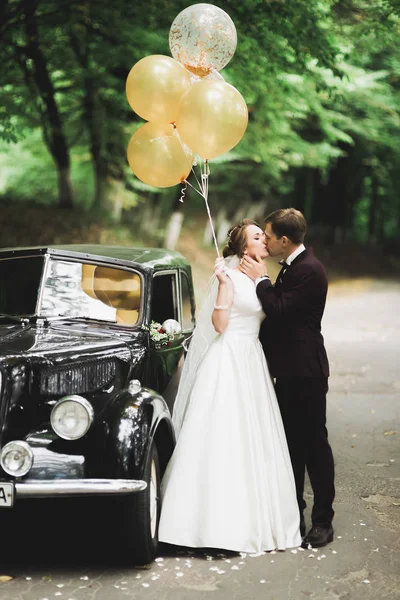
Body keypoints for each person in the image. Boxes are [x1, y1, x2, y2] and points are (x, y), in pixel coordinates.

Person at [158, 219, 302, 553]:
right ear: (243, 248)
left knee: (254, 439)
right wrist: (223, 284)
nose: (264, 240)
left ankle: (252, 520)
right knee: (221, 436)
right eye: (256, 237)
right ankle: (202, 528)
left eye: (263, 236)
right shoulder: (232, 277)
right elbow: (220, 325)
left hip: (252, 360)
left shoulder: (261, 277)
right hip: (228, 359)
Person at [239, 208, 335, 549]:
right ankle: (294, 514)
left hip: (307, 371)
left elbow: (279, 309)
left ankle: (323, 521)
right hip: (288, 371)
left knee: (314, 446)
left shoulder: (310, 270)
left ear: (283, 239)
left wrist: (262, 280)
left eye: (267, 236)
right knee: (291, 445)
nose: (264, 240)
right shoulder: (295, 265)